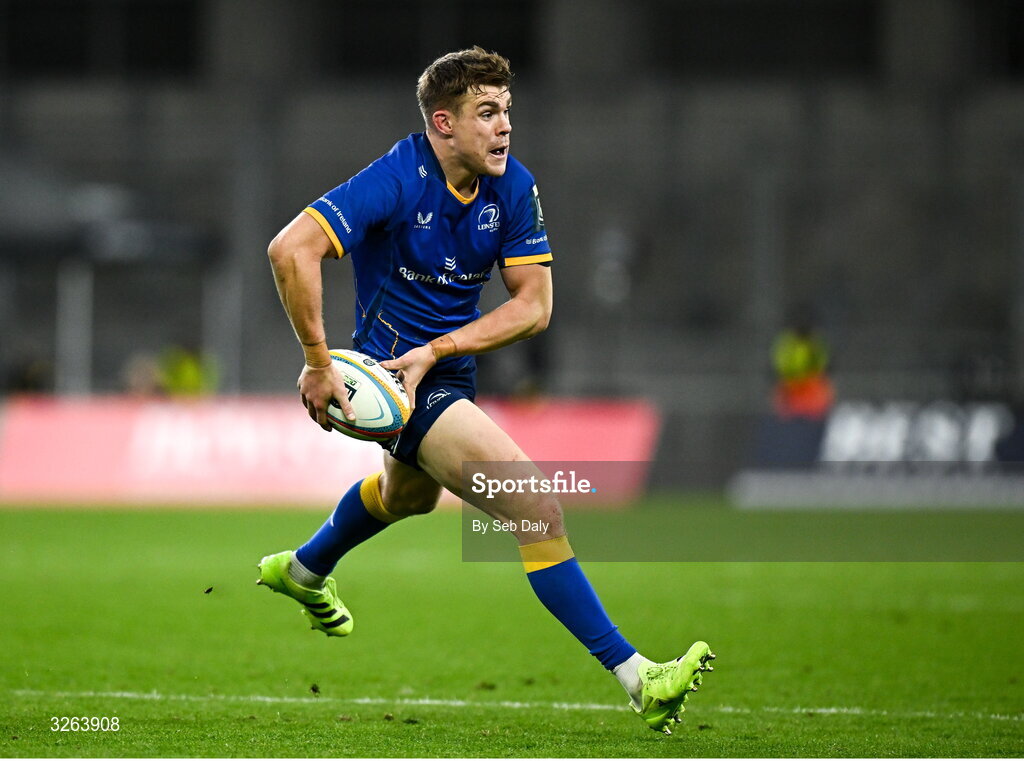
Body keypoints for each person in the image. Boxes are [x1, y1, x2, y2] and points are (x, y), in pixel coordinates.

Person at [260, 46, 714, 734]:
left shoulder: (513, 186)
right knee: (537, 508)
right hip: (397, 385)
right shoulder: (399, 176)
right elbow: (289, 248)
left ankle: (303, 567)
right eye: (487, 113)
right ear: (443, 123)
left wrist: (440, 347)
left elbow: (534, 305)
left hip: (444, 371)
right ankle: (637, 675)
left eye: (508, 112)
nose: (505, 127)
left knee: (406, 496)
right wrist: (319, 362)